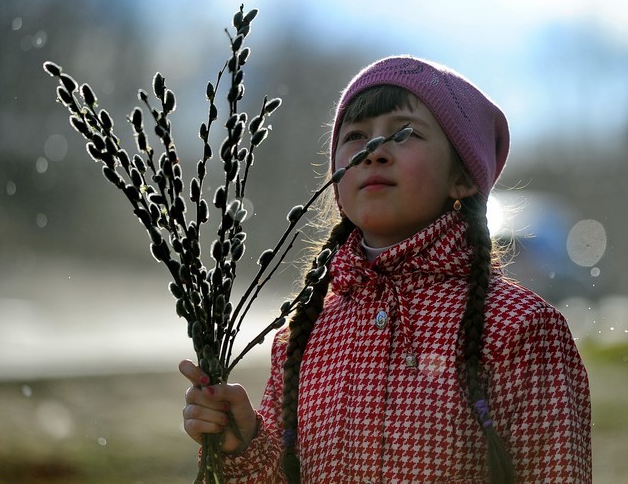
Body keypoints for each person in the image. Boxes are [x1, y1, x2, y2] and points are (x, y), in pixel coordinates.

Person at [180, 55, 592, 483]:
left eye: (405, 133)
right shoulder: (304, 333)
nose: (374, 152)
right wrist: (242, 445)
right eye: (355, 136)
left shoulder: (519, 328)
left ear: (464, 177)